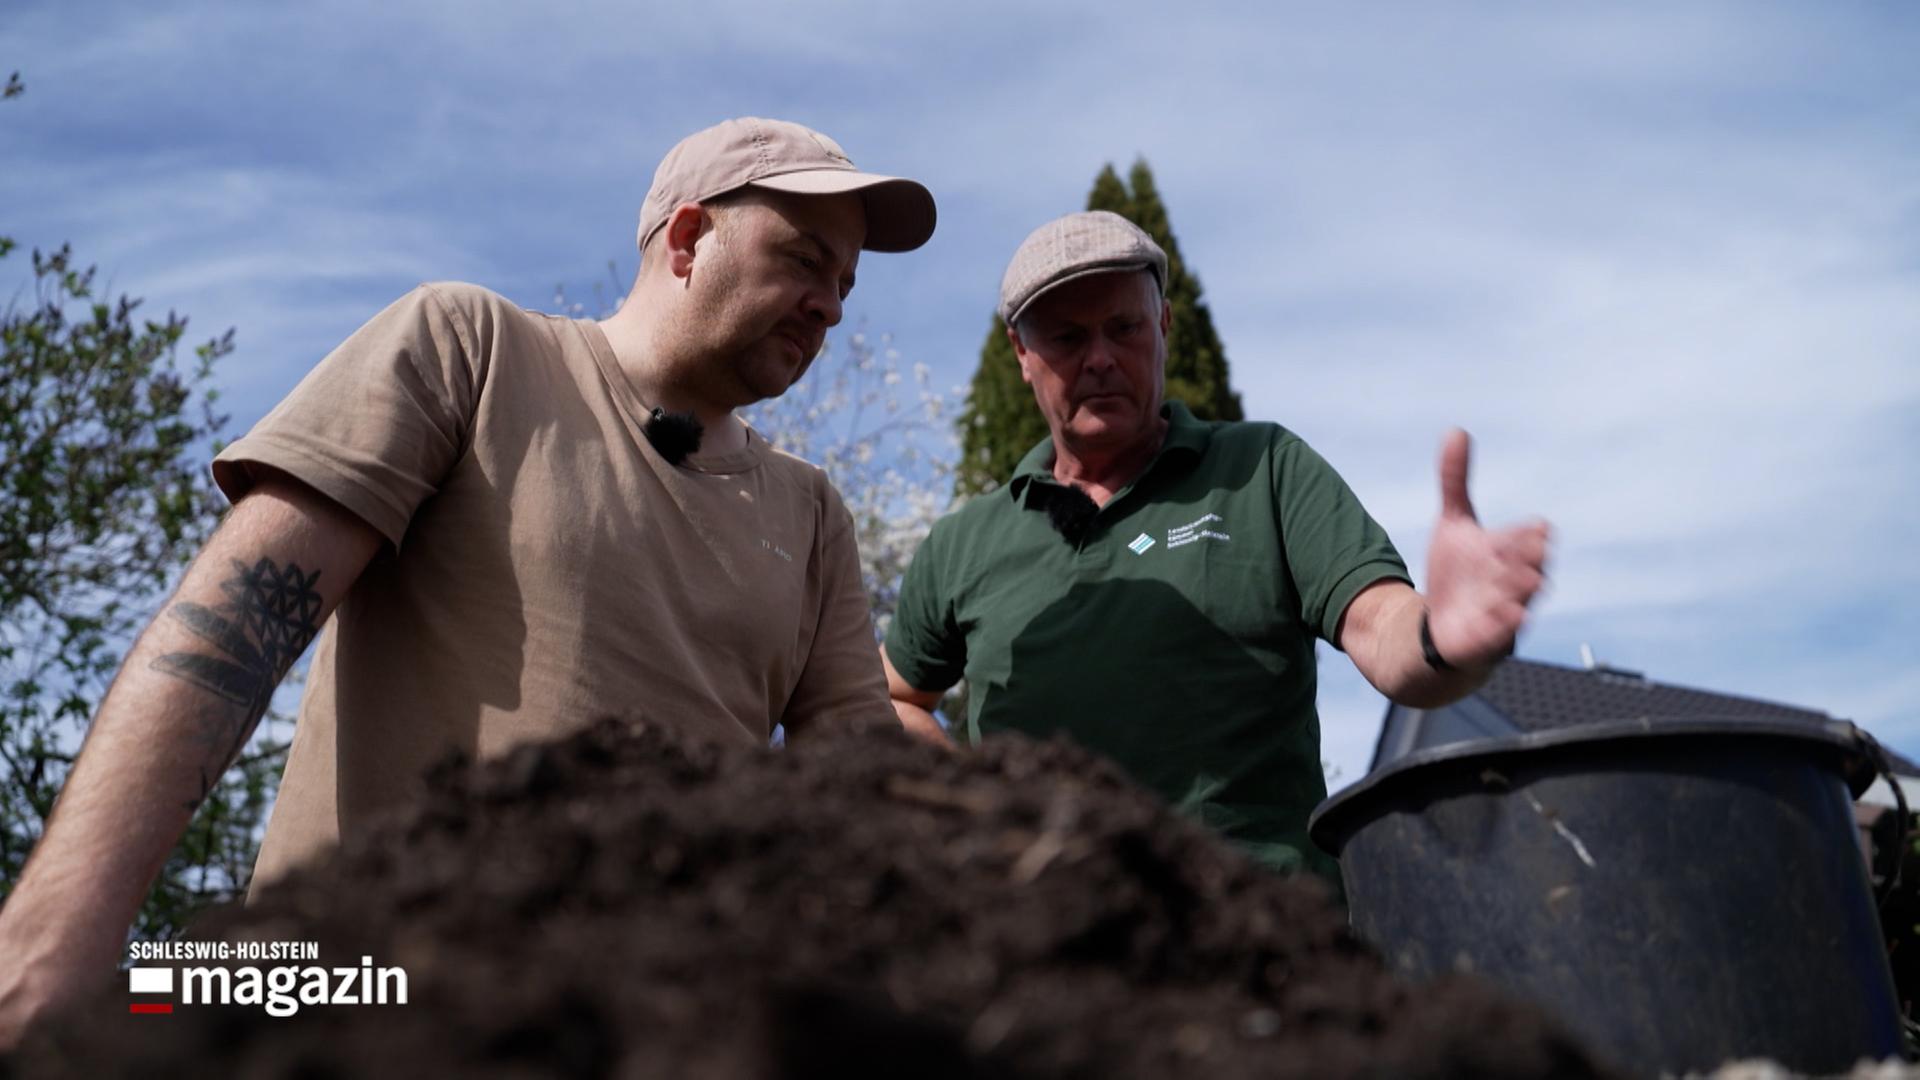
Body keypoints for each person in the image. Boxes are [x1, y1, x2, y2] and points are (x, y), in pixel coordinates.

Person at [0, 117, 936, 1044]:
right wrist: (58, 933)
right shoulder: (472, 351)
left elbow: (860, 803)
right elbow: (232, 624)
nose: (833, 306)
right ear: (690, 238)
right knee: (166, 991)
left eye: (847, 284)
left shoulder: (812, 514)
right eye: (806, 260)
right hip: (356, 999)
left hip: (651, 1031)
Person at [882, 211, 1548, 878]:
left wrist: (1443, 638)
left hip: (1258, 936)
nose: (1102, 357)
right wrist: (964, 796)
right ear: (1021, 357)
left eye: (1125, 327)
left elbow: (1381, 625)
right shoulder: (964, 543)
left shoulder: (1264, 469)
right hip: (1036, 939)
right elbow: (891, 695)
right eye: (1066, 338)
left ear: (1164, 326)